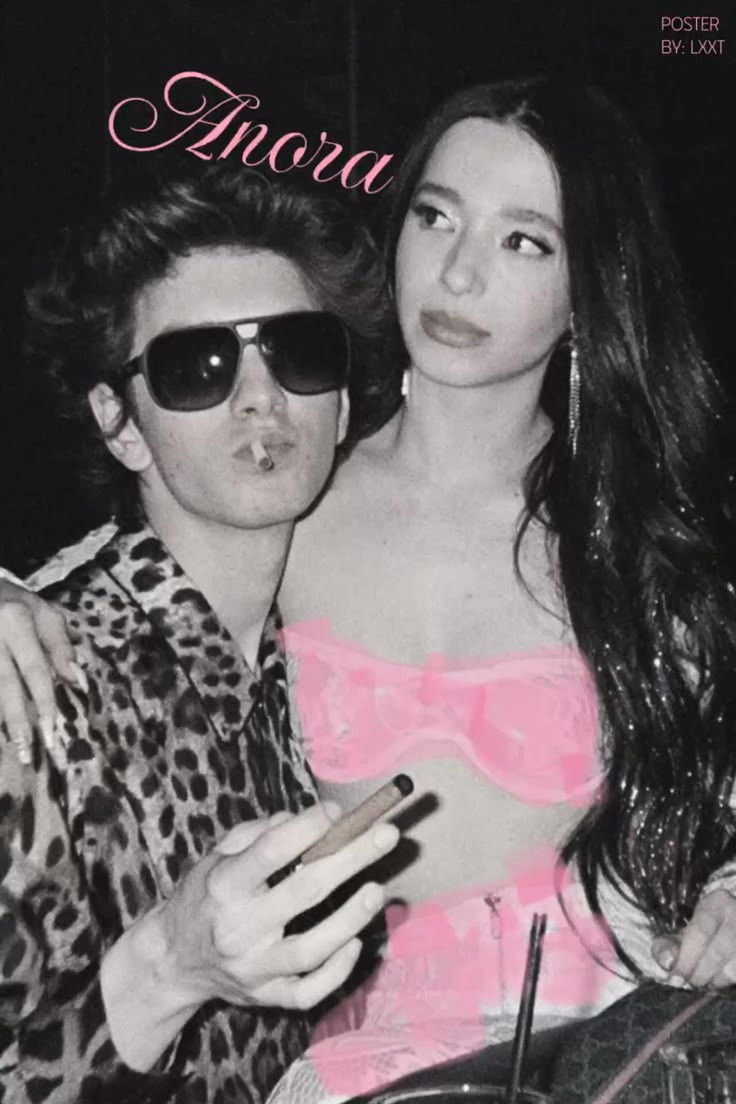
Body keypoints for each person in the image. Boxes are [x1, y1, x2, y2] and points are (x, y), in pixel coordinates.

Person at [3, 78, 736, 1101]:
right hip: (365, 1061)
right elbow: (137, 558)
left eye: (523, 240)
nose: (460, 272)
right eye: (435, 217)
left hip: (608, 1040)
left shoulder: (640, 533)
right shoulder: (291, 496)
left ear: (590, 289)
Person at [0, 166, 403, 1104]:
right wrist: (170, 966)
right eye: (197, 366)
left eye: (300, 352)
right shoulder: (33, 685)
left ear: (342, 404)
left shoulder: (305, 674)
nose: (262, 396)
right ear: (121, 425)